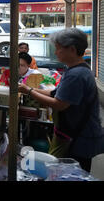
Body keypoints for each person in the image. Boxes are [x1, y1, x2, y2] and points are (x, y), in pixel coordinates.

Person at [19, 28, 103, 172]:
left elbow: (59, 104)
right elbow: (54, 93)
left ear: (72, 49)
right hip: (76, 133)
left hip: (78, 138)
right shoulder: (78, 69)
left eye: (58, 49)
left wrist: (29, 91)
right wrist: (26, 88)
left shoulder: (76, 75)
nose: (56, 52)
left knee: (72, 173)